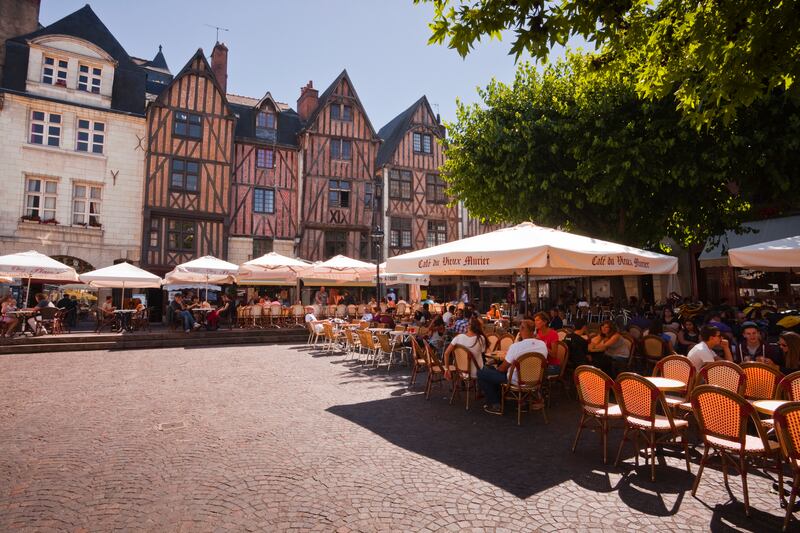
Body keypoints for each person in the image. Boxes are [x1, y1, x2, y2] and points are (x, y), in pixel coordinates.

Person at [478, 319, 548, 414]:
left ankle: (495, 403)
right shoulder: (542, 345)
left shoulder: (516, 347)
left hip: (515, 380)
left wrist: (496, 370)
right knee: (490, 370)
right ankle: (504, 398)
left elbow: (502, 368)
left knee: (481, 373)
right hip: (534, 380)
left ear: (521, 329)